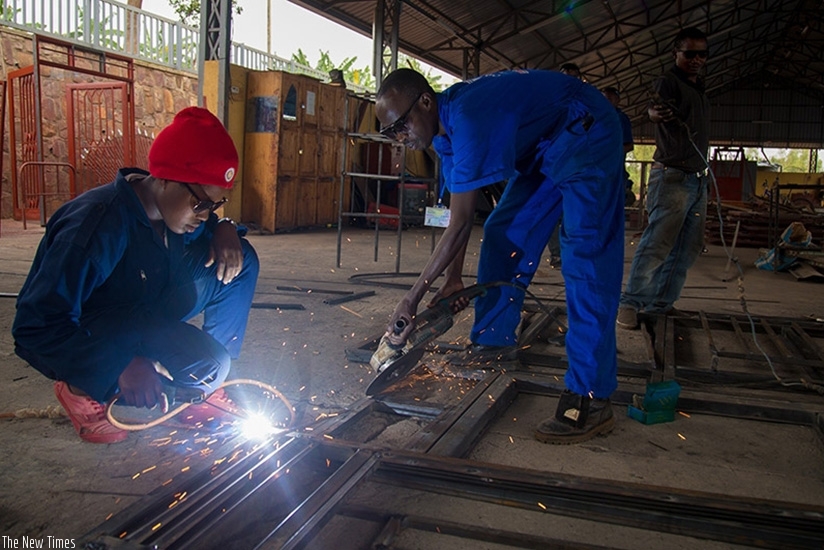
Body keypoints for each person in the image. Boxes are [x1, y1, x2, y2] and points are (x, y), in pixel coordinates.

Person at [375, 68, 625, 444]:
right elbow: (464, 212)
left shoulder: (469, 118)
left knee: (585, 257)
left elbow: (458, 225)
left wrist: (411, 299)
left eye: (402, 125)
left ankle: (591, 395)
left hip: (585, 131)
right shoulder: (444, 136)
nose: (401, 136)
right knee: (501, 233)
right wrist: (451, 279)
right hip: (543, 148)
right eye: (391, 132)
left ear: (425, 101)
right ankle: (493, 342)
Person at [12, 107, 260, 444]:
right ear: (165, 177)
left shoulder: (172, 211)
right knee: (124, 368)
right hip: (96, 328)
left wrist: (227, 227)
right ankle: (80, 387)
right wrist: (120, 365)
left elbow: (207, 226)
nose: (204, 216)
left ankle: (209, 391)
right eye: (202, 204)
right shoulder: (95, 226)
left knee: (215, 360)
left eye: (215, 207)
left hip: (141, 309)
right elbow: (34, 329)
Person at [616, 27, 710, 330]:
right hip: (672, 177)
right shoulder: (668, 82)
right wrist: (656, 113)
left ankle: (661, 303)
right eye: (689, 54)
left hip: (697, 178)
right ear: (676, 54)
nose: (696, 59)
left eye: (701, 54)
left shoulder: (699, 88)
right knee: (659, 242)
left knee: (688, 245)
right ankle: (631, 302)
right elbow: (654, 110)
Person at [546, 62, 585, 269]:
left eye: (574, 77)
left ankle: (573, 254)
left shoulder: (586, 106)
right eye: (566, 76)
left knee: (574, 215)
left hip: (577, 168)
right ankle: (557, 254)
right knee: (553, 215)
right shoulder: (551, 104)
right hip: (553, 168)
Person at [601, 86, 635, 205]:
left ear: (617, 100)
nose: (606, 102)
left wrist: (608, 154)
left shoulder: (620, 118)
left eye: (610, 99)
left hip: (613, 172)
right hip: (596, 171)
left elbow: (629, 145)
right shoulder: (595, 118)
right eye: (604, 99)